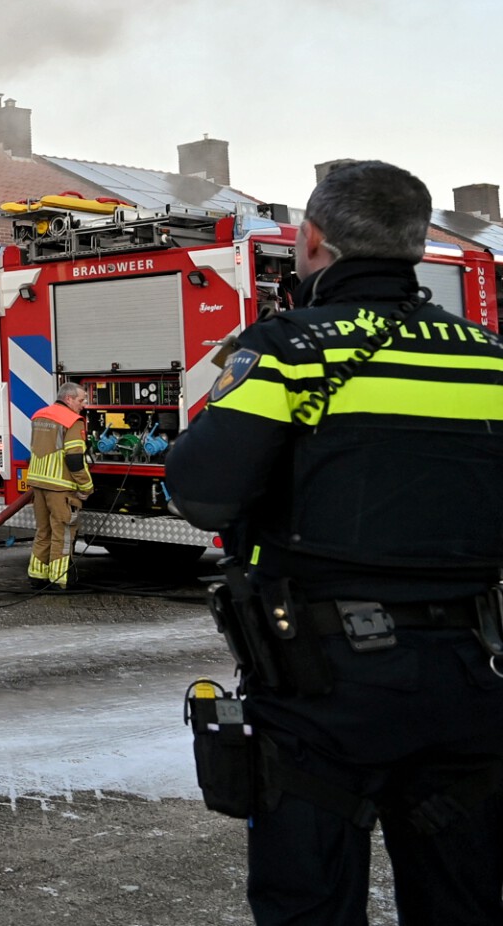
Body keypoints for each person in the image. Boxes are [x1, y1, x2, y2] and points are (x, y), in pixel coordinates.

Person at [166, 160, 503, 926]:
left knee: (308, 904)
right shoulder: (489, 358)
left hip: (320, 689)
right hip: (469, 680)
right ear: (418, 244)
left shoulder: (289, 350)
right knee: (465, 899)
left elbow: (200, 493)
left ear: (310, 241)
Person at [22, 381, 92, 589]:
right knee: (63, 533)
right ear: (68, 398)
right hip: (61, 487)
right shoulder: (72, 421)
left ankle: (37, 576)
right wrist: (86, 487)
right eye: (81, 400)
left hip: (38, 483)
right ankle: (60, 580)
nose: (83, 405)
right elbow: (74, 459)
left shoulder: (39, 415)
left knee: (43, 531)